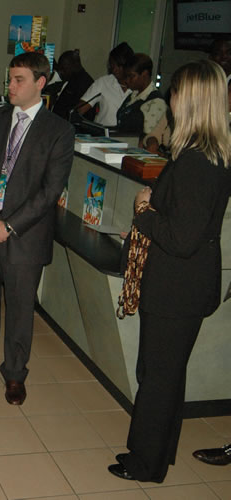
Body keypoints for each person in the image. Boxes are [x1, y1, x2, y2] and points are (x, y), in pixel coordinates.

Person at [108, 59, 231, 483]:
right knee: (166, 375)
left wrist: (144, 211)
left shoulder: (200, 162)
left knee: (157, 377)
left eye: (176, 92)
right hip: (183, 284)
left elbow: (180, 238)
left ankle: (145, 463)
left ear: (191, 99)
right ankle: (158, 455)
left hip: (177, 287)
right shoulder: (202, 154)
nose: (171, 100)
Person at [0, 52, 74, 408]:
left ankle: (14, 371)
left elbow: (50, 191)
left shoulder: (59, 131)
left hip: (26, 233)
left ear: (40, 83)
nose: (10, 86)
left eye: (18, 80)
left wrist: (8, 226)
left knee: (21, 305)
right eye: (9, 78)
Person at [77, 42, 133, 127]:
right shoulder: (103, 83)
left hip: (129, 138)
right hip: (104, 137)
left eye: (118, 66)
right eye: (112, 65)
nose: (115, 70)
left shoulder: (137, 86)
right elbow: (80, 109)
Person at [116, 53, 166, 135]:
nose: (127, 80)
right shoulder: (134, 94)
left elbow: (150, 138)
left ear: (144, 75)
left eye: (131, 76)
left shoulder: (155, 102)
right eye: (126, 76)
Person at [50, 49, 93, 119]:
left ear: (74, 65)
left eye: (64, 69)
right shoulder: (72, 79)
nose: (62, 72)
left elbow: (74, 111)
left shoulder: (84, 82)